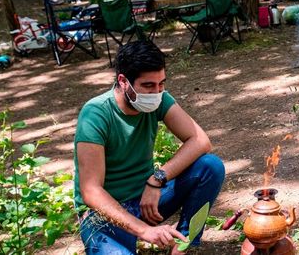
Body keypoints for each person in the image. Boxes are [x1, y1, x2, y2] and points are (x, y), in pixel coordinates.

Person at [74, 41, 225, 255]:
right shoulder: (96, 114)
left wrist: (157, 179)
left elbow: (200, 140)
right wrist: (145, 231)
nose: (156, 92)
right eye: (148, 86)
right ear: (123, 81)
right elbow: (91, 191)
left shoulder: (159, 99)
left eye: (161, 84)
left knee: (210, 166)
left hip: (147, 199)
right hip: (104, 212)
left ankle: (183, 243)